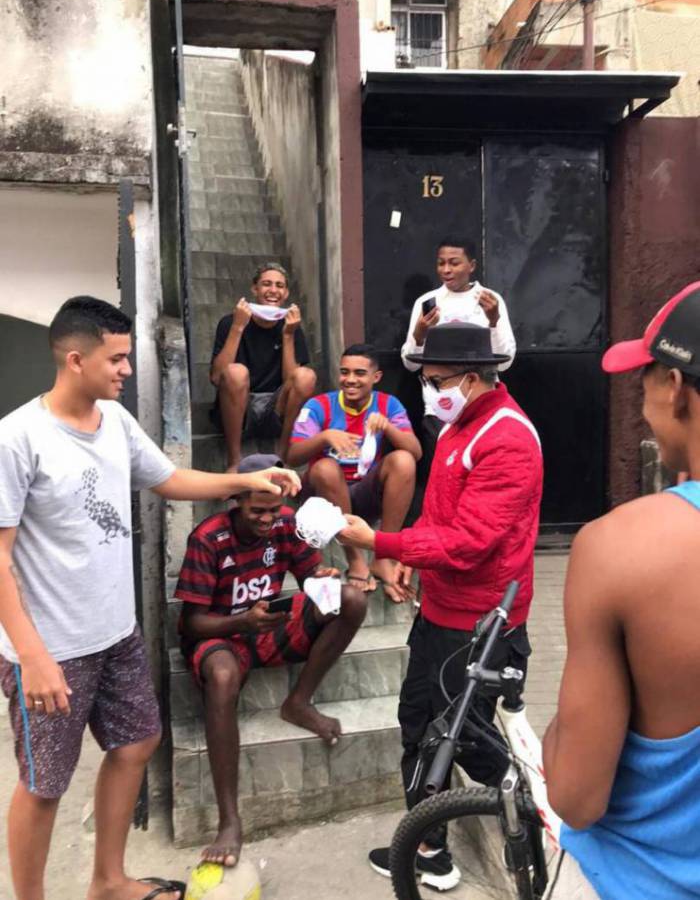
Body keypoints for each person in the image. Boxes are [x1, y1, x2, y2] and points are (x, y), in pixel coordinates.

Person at [0, 297, 301, 900]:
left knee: (137, 742)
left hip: (117, 633)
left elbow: (168, 479)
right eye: (116, 359)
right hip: (53, 648)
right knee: (44, 784)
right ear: (76, 359)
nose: (126, 370)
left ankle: (108, 881)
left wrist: (246, 479)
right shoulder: (17, 439)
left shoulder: (115, 422)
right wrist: (31, 654)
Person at [339, 323, 542, 891]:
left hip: (479, 621)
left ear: (472, 378)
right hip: (441, 610)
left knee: (471, 742)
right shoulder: (459, 425)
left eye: (434, 381)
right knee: (419, 726)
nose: (428, 392)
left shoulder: (507, 439)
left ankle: (537, 822)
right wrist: (415, 557)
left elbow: (470, 541)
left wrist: (381, 543)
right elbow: (441, 514)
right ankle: (429, 847)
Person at [543, 281, 700, 900]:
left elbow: (578, 797)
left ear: (677, 388)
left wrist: (556, 735)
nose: (641, 402)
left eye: (646, 379)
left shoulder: (621, 549)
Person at [175, 453, 367, 869]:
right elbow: (190, 624)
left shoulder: (285, 525)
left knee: (350, 599)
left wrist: (322, 582)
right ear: (237, 501)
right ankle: (229, 820)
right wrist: (243, 621)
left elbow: (308, 574)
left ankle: (298, 701)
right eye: (256, 510)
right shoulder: (208, 538)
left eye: (273, 510)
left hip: (268, 627)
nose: (267, 519)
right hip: (223, 634)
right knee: (223, 675)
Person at [286, 343, 422, 598]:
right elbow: (292, 457)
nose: (350, 380)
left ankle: (384, 556)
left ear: (376, 377)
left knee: (403, 460)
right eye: (344, 372)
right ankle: (356, 558)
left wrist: (388, 428)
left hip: (364, 493)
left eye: (359, 373)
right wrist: (324, 437)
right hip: (322, 498)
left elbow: (416, 453)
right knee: (326, 467)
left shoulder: (387, 404)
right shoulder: (319, 405)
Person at [401, 236, 516, 469]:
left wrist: (493, 321)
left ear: (471, 265)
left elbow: (505, 362)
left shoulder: (490, 301)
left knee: (482, 470)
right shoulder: (427, 302)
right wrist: (419, 334)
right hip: (439, 408)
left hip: (483, 404)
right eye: (441, 263)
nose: (446, 270)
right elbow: (410, 364)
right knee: (444, 474)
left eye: (454, 263)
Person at [209, 262, 317, 470]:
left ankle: (285, 454)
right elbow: (216, 377)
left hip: (275, 409)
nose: (273, 291)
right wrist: (238, 326)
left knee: (306, 375)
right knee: (235, 372)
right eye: (266, 284)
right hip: (239, 410)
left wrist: (288, 334)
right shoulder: (230, 323)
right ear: (254, 289)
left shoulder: (292, 326)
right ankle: (234, 461)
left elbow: (293, 382)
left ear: (286, 293)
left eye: (280, 286)